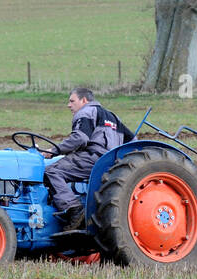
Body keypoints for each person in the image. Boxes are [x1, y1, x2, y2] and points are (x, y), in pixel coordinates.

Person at [46, 87, 134, 231]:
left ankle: (73, 208)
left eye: (72, 101)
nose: (69, 105)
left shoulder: (86, 112)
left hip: (92, 158)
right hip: (111, 162)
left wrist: (54, 151)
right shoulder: (113, 117)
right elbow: (132, 141)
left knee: (51, 172)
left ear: (84, 100)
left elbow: (80, 137)